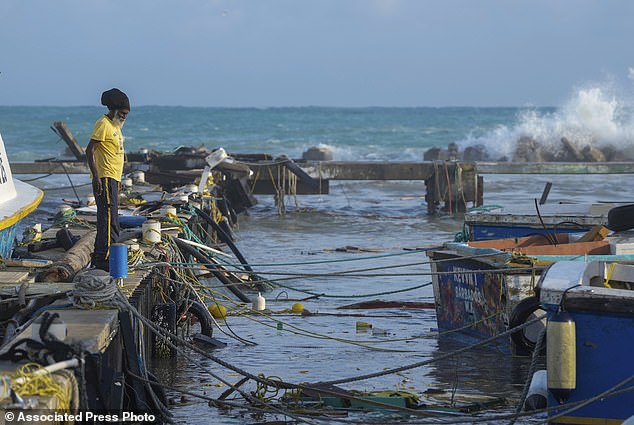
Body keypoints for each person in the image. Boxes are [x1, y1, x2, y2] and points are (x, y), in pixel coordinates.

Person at [86, 88, 130, 271]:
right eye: (122, 113)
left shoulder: (116, 128)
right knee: (108, 219)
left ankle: (102, 254)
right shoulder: (103, 124)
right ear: (113, 109)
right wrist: (96, 177)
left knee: (112, 218)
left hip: (114, 179)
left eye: (126, 114)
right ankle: (104, 258)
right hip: (104, 178)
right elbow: (89, 150)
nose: (124, 117)